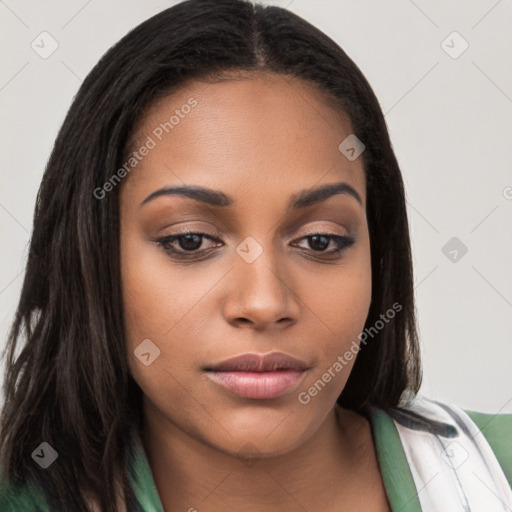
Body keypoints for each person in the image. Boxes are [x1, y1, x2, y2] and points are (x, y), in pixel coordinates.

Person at [0, 1, 510, 511]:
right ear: (91, 256)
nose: (264, 303)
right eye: (190, 240)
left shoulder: (494, 473)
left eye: (320, 240)